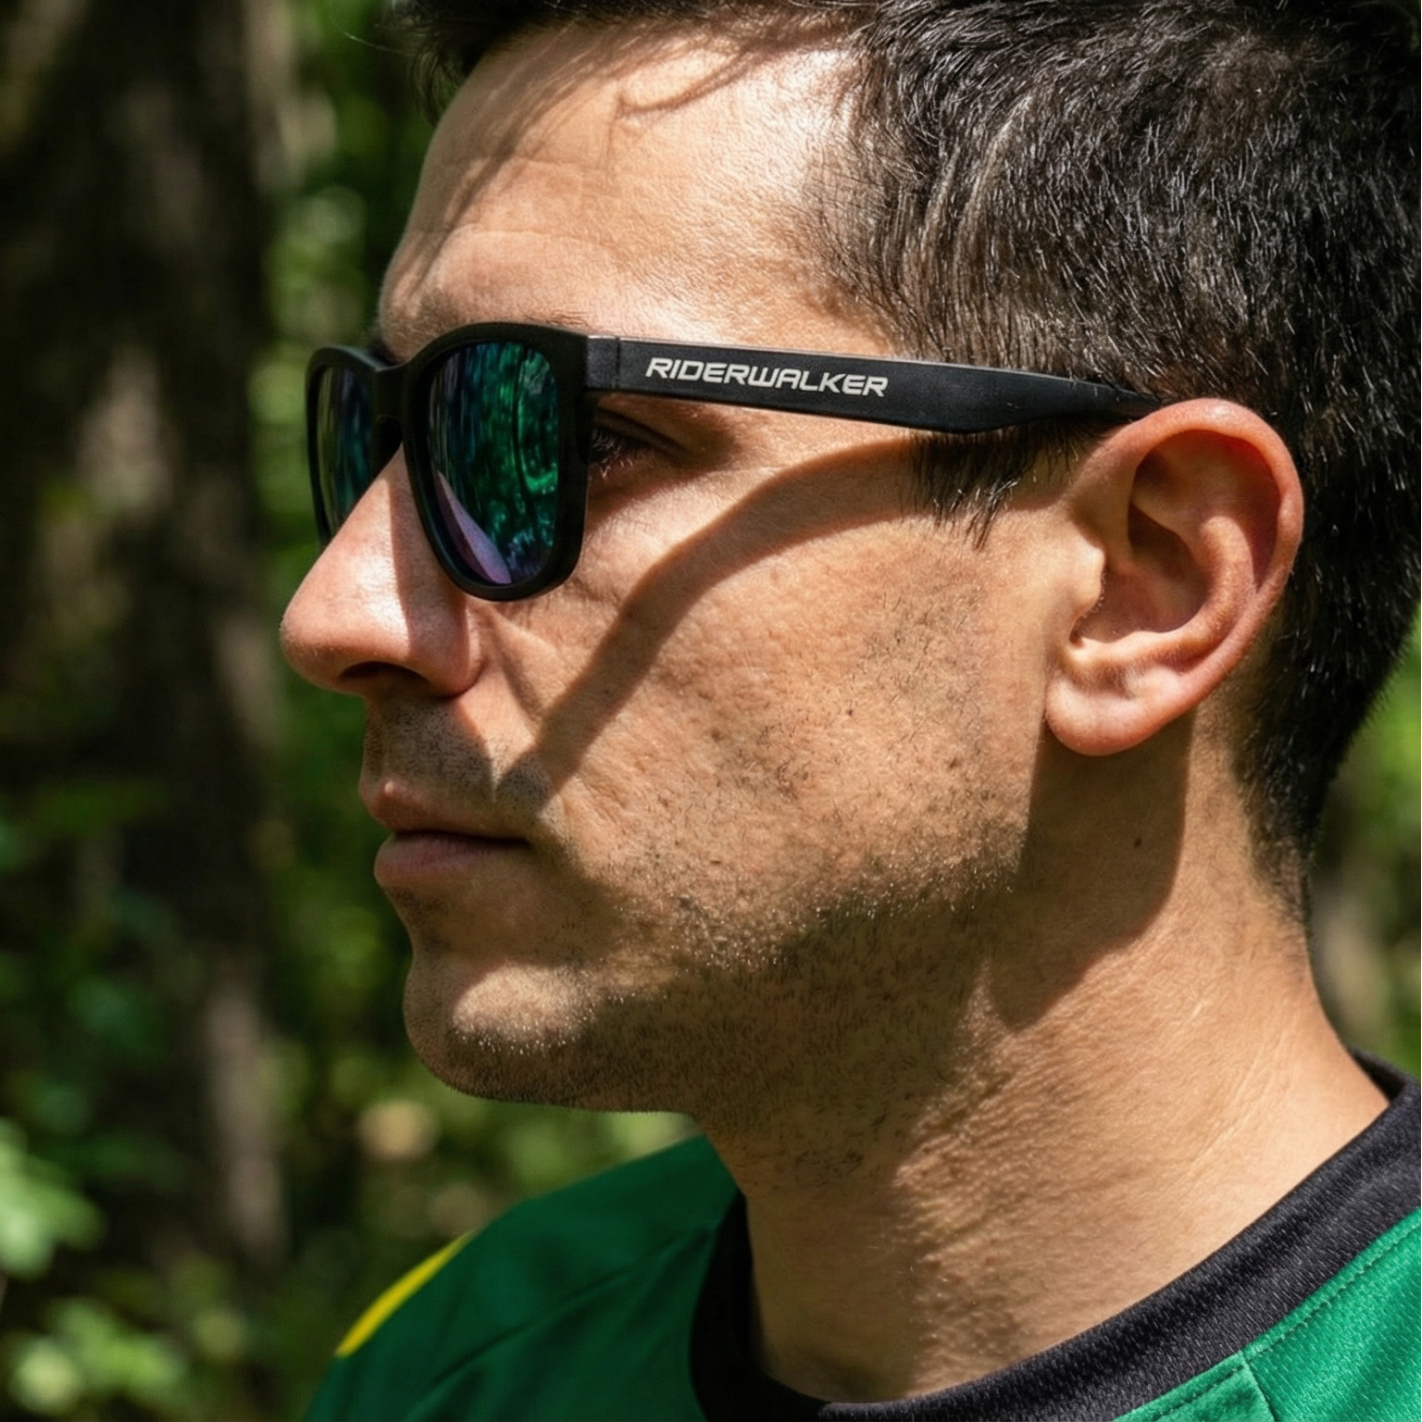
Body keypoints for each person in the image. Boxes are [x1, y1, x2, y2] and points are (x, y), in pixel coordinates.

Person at [281, 1, 1419, 1417]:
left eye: (562, 439)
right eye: (378, 433)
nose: (335, 615)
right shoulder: (457, 1362)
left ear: (1148, 581)